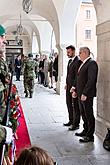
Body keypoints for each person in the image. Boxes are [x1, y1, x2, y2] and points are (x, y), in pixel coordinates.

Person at [73, 47, 98, 143]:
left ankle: (90, 135)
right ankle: (85, 130)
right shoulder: (83, 63)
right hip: (80, 94)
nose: (79, 54)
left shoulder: (92, 63)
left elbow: (91, 80)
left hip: (86, 95)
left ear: (85, 53)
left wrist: (85, 93)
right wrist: (75, 90)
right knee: (83, 113)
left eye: (80, 53)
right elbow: (79, 78)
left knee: (89, 114)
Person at [63, 45, 81, 131]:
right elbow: (69, 74)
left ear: (73, 51)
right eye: (67, 52)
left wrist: (74, 87)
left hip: (74, 87)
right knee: (69, 104)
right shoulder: (70, 61)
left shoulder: (77, 61)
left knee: (75, 106)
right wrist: (67, 84)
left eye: (69, 52)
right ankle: (71, 120)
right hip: (69, 86)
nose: (67, 53)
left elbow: (77, 76)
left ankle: (76, 124)